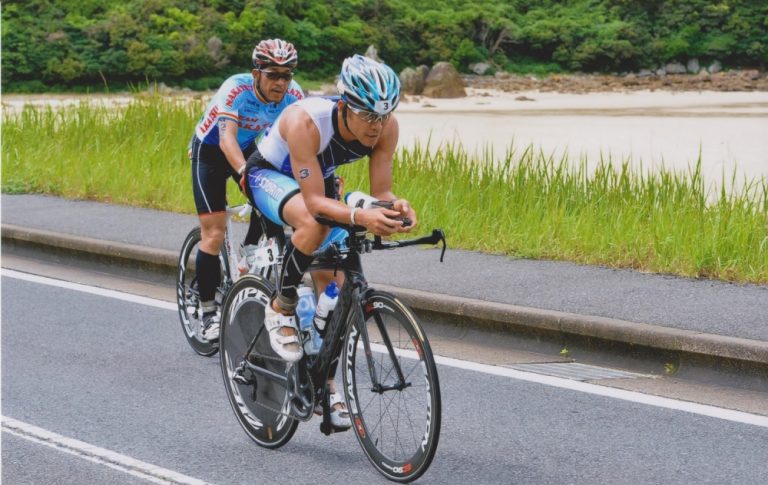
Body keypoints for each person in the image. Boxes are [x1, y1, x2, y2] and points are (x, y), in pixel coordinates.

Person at [243, 54, 416, 429]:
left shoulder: (387, 128)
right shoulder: (308, 121)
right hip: (268, 176)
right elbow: (314, 204)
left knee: (335, 294)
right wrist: (359, 214)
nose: (377, 125)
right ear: (345, 105)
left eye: (384, 115)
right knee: (315, 223)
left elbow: (381, 192)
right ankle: (281, 303)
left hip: (317, 181)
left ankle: (325, 383)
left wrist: (395, 208)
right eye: (368, 115)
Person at [190, 39, 304, 342]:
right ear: (257, 74)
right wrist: (243, 172)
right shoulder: (236, 89)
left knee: (273, 195)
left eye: (286, 75)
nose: (280, 82)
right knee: (213, 234)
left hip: (247, 147)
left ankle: (249, 251)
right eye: (273, 75)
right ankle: (208, 313)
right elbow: (226, 140)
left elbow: (298, 144)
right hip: (211, 150)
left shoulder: (294, 96)